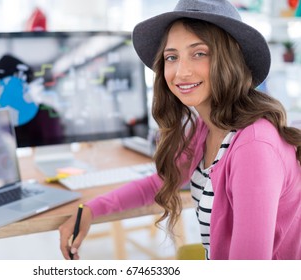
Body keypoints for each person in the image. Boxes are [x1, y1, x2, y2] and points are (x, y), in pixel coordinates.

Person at [59, 0, 301, 260]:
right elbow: (160, 182)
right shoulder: (207, 127)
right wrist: (91, 209)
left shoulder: (253, 146)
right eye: (171, 57)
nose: (181, 72)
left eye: (199, 53)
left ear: (232, 57)